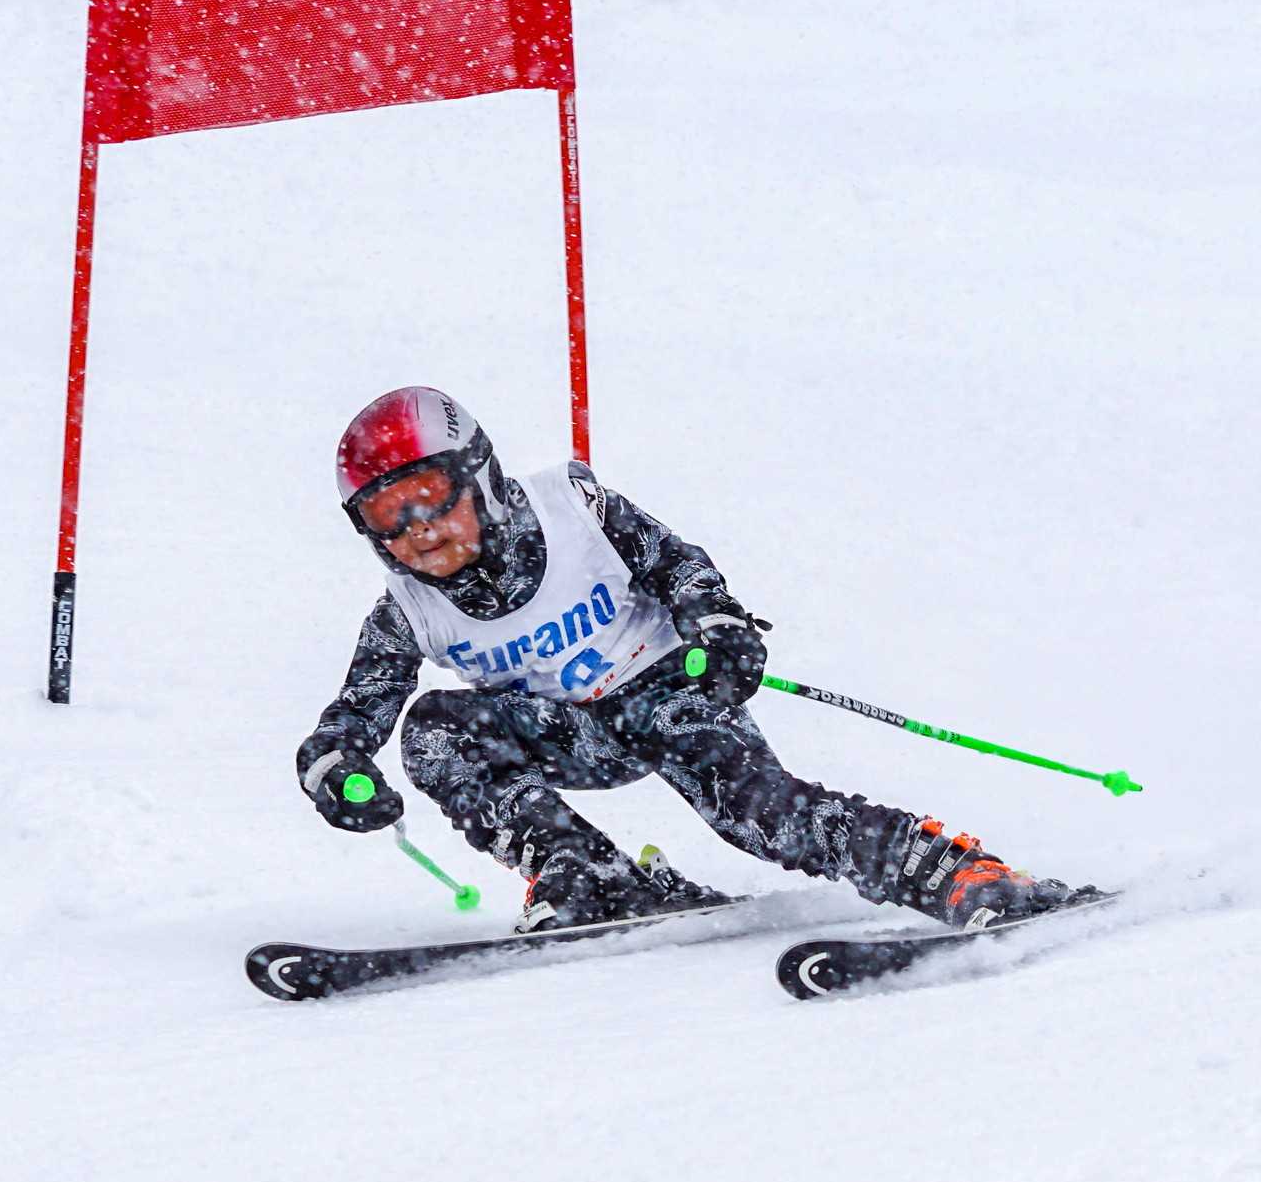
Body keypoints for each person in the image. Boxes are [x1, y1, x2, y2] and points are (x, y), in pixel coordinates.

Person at [298, 387, 1089, 933]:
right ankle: (586, 876)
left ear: (480, 472)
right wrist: (335, 765)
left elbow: (677, 565)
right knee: (435, 727)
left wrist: (717, 625)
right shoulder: (409, 609)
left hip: (670, 693)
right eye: (386, 517)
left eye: (428, 494)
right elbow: (357, 710)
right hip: (570, 732)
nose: (418, 531)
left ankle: (952, 874)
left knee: (763, 819)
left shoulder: (572, 508)